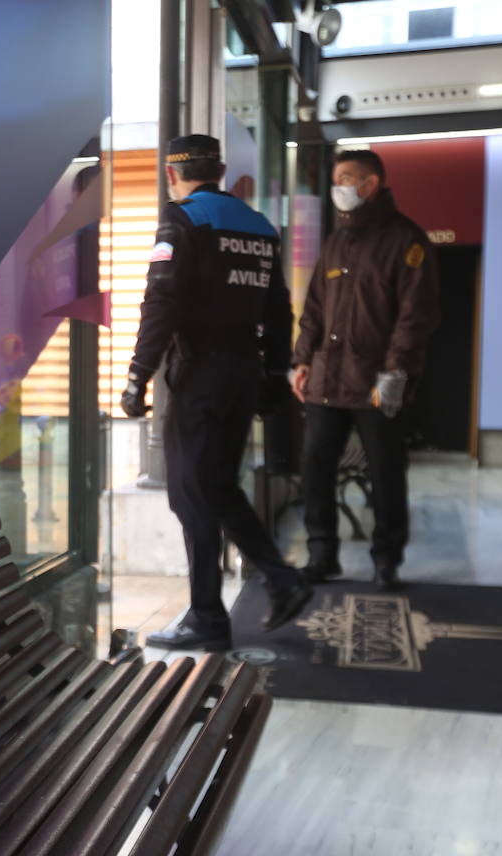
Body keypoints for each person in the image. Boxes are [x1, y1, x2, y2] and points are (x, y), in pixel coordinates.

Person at [121, 134, 311, 651]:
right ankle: (280, 578)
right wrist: (274, 376)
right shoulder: (260, 227)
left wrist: (139, 374)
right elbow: (278, 312)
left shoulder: (182, 221)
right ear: (220, 170)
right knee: (220, 487)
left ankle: (207, 616)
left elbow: (160, 303)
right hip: (244, 376)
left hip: (199, 378)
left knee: (191, 494)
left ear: (171, 173)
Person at [291, 149, 440, 590]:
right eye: (336, 179)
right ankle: (322, 554)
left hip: (378, 384)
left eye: (346, 178)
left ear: (370, 183)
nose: (339, 187)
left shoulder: (406, 240)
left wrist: (396, 373)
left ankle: (386, 559)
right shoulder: (335, 242)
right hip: (326, 381)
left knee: (386, 472)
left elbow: (416, 316)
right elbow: (314, 310)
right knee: (315, 466)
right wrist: (302, 360)